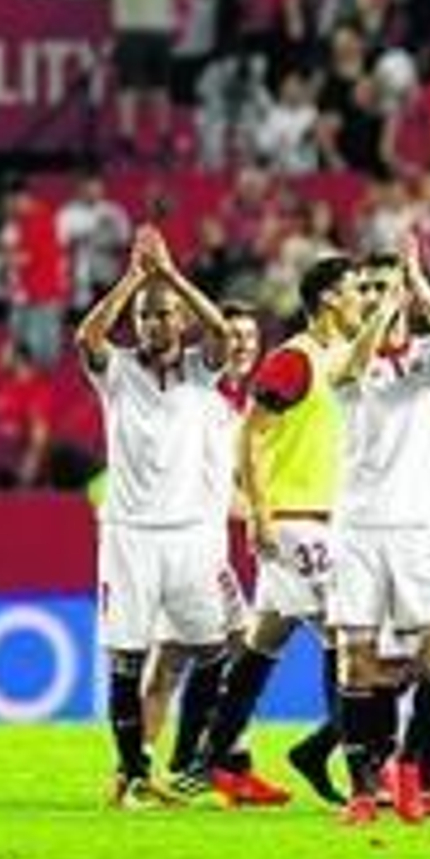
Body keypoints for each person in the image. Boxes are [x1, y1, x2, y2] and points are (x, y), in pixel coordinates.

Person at [189, 253, 376, 807]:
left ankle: (212, 757)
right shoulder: (293, 360)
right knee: (349, 639)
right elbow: (250, 433)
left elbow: (365, 362)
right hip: (296, 522)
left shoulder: (337, 357)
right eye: (354, 290)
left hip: (323, 518)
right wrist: (262, 514)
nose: (362, 298)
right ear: (326, 300)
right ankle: (355, 765)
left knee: (264, 641)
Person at [77, 225, 233, 807]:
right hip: (130, 536)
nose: (154, 324)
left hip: (191, 535)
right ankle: (133, 772)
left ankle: (187, 761)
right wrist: (135, 279)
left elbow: (219, 330)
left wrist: (169, 276)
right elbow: (87, 334)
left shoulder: (200, 370)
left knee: (213, 648)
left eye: (164, 315)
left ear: (180, 320)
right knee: (128, 653)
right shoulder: (115, 373)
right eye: (145, 317)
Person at [329, 236, 430, 825]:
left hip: (419, 528)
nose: (374, 295)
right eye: (364, 287)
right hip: (359, 529)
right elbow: (352, 368)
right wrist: (386, 308)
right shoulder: (344, 357)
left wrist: (418, 289)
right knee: (357, 661)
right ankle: (364, 791)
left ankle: (413, 764)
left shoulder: (423, 358)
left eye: (383, 284)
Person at [141, 301, 260, 781]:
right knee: (179, 660)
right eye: (233, 335)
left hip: (209, 544)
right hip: (186, 542)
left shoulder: (239, 402)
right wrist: (263, 513)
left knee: (231, 651)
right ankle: (145, 764)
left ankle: (223, 763)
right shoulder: (195, 393)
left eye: (250, 337)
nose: (242, 345)